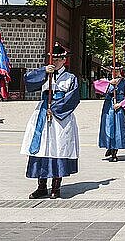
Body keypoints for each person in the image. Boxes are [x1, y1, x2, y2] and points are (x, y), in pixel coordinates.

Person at [20, 44, 80, 199]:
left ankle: (56, 186)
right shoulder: (45, 74)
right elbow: (28, 81)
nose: (56, 62)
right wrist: (43, 72)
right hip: (42, 113)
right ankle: (41, 185)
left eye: (59, 59)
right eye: (53, 58)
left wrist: (54, 108)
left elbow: (73, 98)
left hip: (60, 117)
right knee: (42, 148)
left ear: (64, 60)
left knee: (58, 147)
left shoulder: (70, 78)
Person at [96, 67, 125, 162]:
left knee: (118, 128)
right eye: (113, 70)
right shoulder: (107, 81)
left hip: (118, 107)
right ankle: (109, 146)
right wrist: (109, 84)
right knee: (108, 127)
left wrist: (120, 104)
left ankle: (114, 152)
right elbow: (98, 87)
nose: (115, 72)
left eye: (117, 70)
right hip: (108, 107)